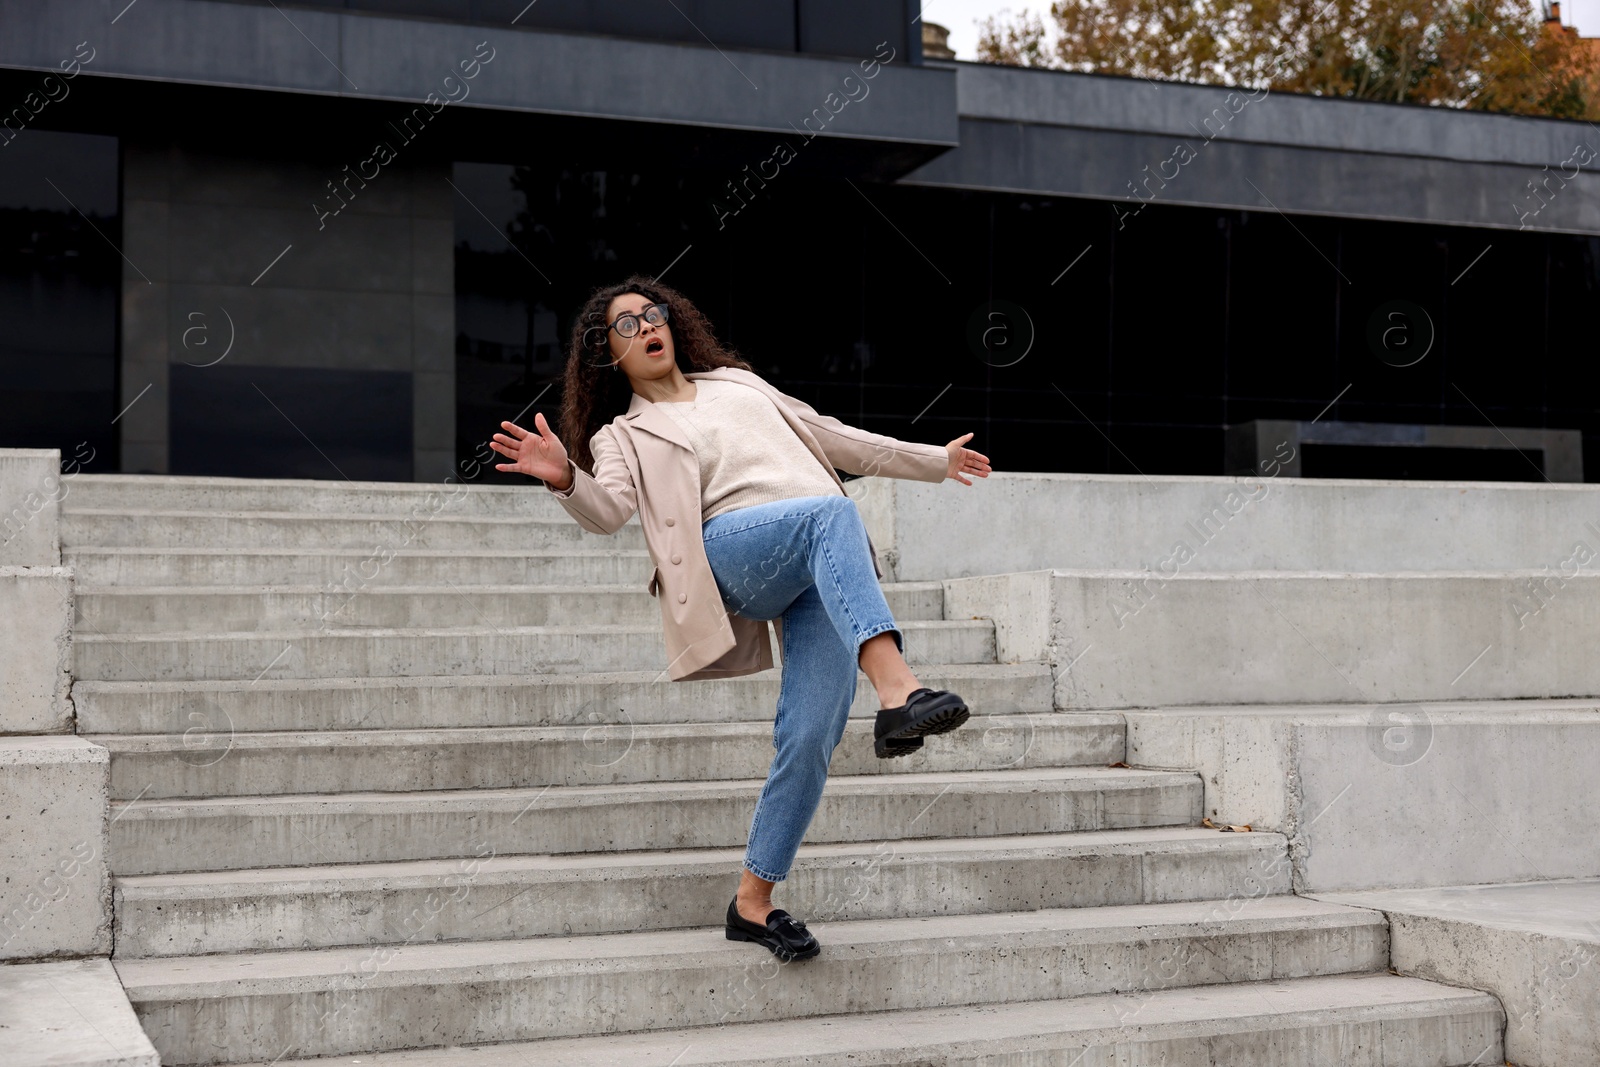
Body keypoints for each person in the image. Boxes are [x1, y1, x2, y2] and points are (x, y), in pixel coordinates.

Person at [489, 274, 992, 961]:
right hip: (732, 552)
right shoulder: (622, 433)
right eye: (626, 326)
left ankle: (752, 903)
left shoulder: (740, 384)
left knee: (810, 733)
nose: (646, 327)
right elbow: (608, 510)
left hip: (820, 560)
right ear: (608, 355)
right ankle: (899, 692)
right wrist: (564, 477)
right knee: (832, 513)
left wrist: (936, 461)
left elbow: (834, 437)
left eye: (653, 314)